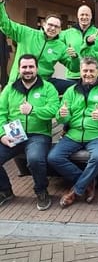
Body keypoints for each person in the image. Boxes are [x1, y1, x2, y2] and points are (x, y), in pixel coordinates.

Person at [48, 57, 98, 208]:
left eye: (91, 70)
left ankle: (76, 191)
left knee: (97, 158)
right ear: (80, 71)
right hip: (74, 134)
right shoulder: (71, 91)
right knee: (53, 157)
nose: (88, 74)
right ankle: (88, 181)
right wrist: (62, 114)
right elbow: (61, 117)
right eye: (85, 70)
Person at [0, 54, 59, 210]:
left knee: (34, 158)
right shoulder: (9, 89)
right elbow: (1, 113)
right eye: (24, 67)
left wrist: (33, 110)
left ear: (37, 69)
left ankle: (41, 190)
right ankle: (5, 190)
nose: (28, 70)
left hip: (38, 135)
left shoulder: (48, 88)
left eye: (31, 67)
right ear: (19, 69)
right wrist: (2, 135)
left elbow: (54, 110)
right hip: (13, 134)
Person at [0, 0, 80, 94]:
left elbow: (73, 68)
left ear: (60, 30)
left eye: (56, 26)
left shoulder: (60, 47)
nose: (52, 28)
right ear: (43, 24)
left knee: (77, 87)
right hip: (20, 81)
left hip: (43, 83)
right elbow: (5, 25)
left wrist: (75, 58)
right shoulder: (26, 33)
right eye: (50, 25)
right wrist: (1, 2)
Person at [59, 4, 98, 82]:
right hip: (73, 76)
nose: (84, 17)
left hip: (93, 75)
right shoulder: (66, 33)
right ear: (78, 16)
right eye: (82, 14)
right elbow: (57, 47)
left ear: (91, 16)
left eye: (87, 15)